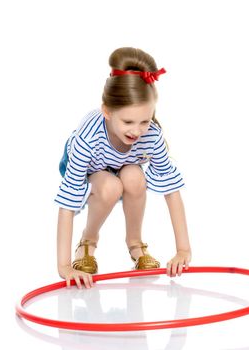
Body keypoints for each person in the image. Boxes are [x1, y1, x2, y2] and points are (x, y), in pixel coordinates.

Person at [55, 47, 191, 288]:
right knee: (110, 186)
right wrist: (63, 267)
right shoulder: (88, 139)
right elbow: (67, 203)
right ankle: (88, 242)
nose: (136, 131)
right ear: (107, 111)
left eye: (144, 121)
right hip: (91, 169)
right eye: (128, 121)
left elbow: (171, 190)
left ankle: (136, 243)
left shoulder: (151, 135)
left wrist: (183, 250)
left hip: (124, 165)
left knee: (134, 178)